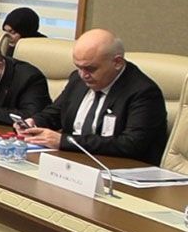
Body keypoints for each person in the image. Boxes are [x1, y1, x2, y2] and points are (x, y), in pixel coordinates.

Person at [20, 29, 168, 164]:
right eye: (78, 67)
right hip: (72, 162)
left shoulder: (143, 92)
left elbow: (130, 144)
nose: (83, 75)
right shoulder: (77, 79)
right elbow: (55, 113)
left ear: (117, 62)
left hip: (117, 168)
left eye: (90, 68)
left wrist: (65, 141)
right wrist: (34, 123)